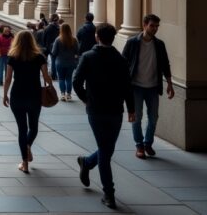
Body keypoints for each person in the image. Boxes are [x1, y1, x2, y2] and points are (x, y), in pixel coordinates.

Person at [74, 23, 135, 210]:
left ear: (96, 37)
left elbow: (76, 82)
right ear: (113, 38)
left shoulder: (88, 57)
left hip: (96, 110)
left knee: (106, 150)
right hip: (115, 110)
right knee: (106, 151)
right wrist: (132, 109)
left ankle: (87, 162)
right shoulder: (121, 60)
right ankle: (109, 192)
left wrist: (86, 99)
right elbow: (127, 87)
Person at [121, 14, 174, 159]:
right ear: (144, 25)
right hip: (136, 86)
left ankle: (147, 143)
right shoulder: (132, 42)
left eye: (157, 26)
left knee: (153, 117)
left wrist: (169, 84)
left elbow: (165, 65)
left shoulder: (159, 44)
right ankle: (139, 145)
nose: (155, 29)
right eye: (152, 26)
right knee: (136, 118)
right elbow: (123, 63)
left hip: (152, 87)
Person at [2, 30, 51, 174]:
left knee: (21, 129)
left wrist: (5, 95)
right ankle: (28, 145)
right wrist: (51, 86)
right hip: (34, 95)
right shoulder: (39, 56)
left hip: (17, 94)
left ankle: (24, 163)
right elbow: (46, 76)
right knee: (34, 127)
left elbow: (8, 78)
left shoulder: (13, 56)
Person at [52, 23, 79, 101]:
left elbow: (54, 52)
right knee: (69, 78)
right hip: (71, 62)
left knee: (61, 78)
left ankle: (63, 94)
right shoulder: (74, 40)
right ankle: (69, 95)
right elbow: (77, 51)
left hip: (60, 62)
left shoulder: (58, 40)